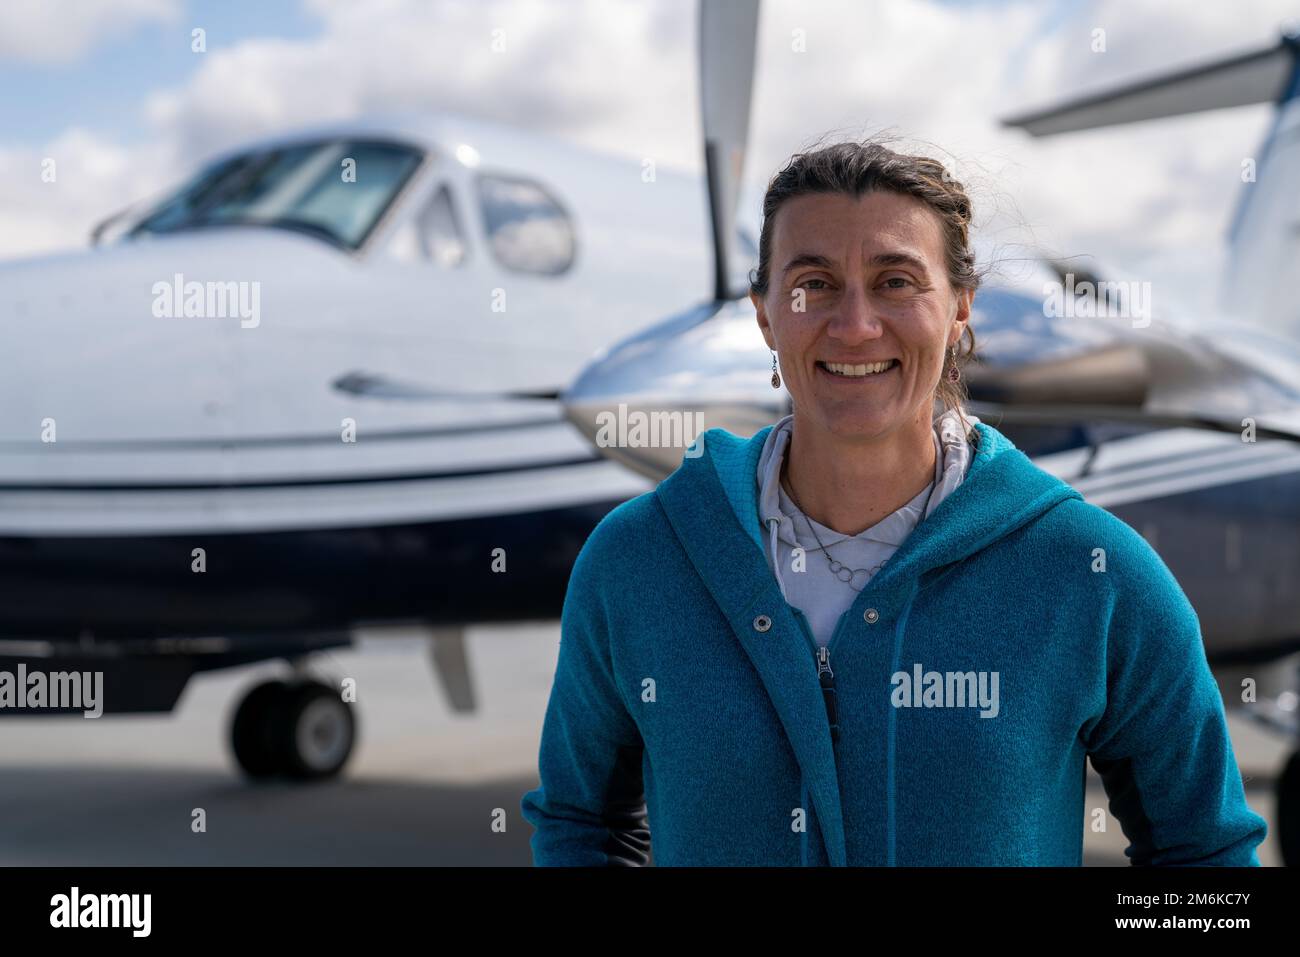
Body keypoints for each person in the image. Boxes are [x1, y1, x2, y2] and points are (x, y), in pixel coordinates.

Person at [520, 138, 1268, 866]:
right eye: (813, 282)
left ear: (961, 308)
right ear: (763, 314)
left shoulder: (1095, 573)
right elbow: (583, 824)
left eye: (896, 281)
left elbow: (1203, 852)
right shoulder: (637, 561)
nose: (854, 325)